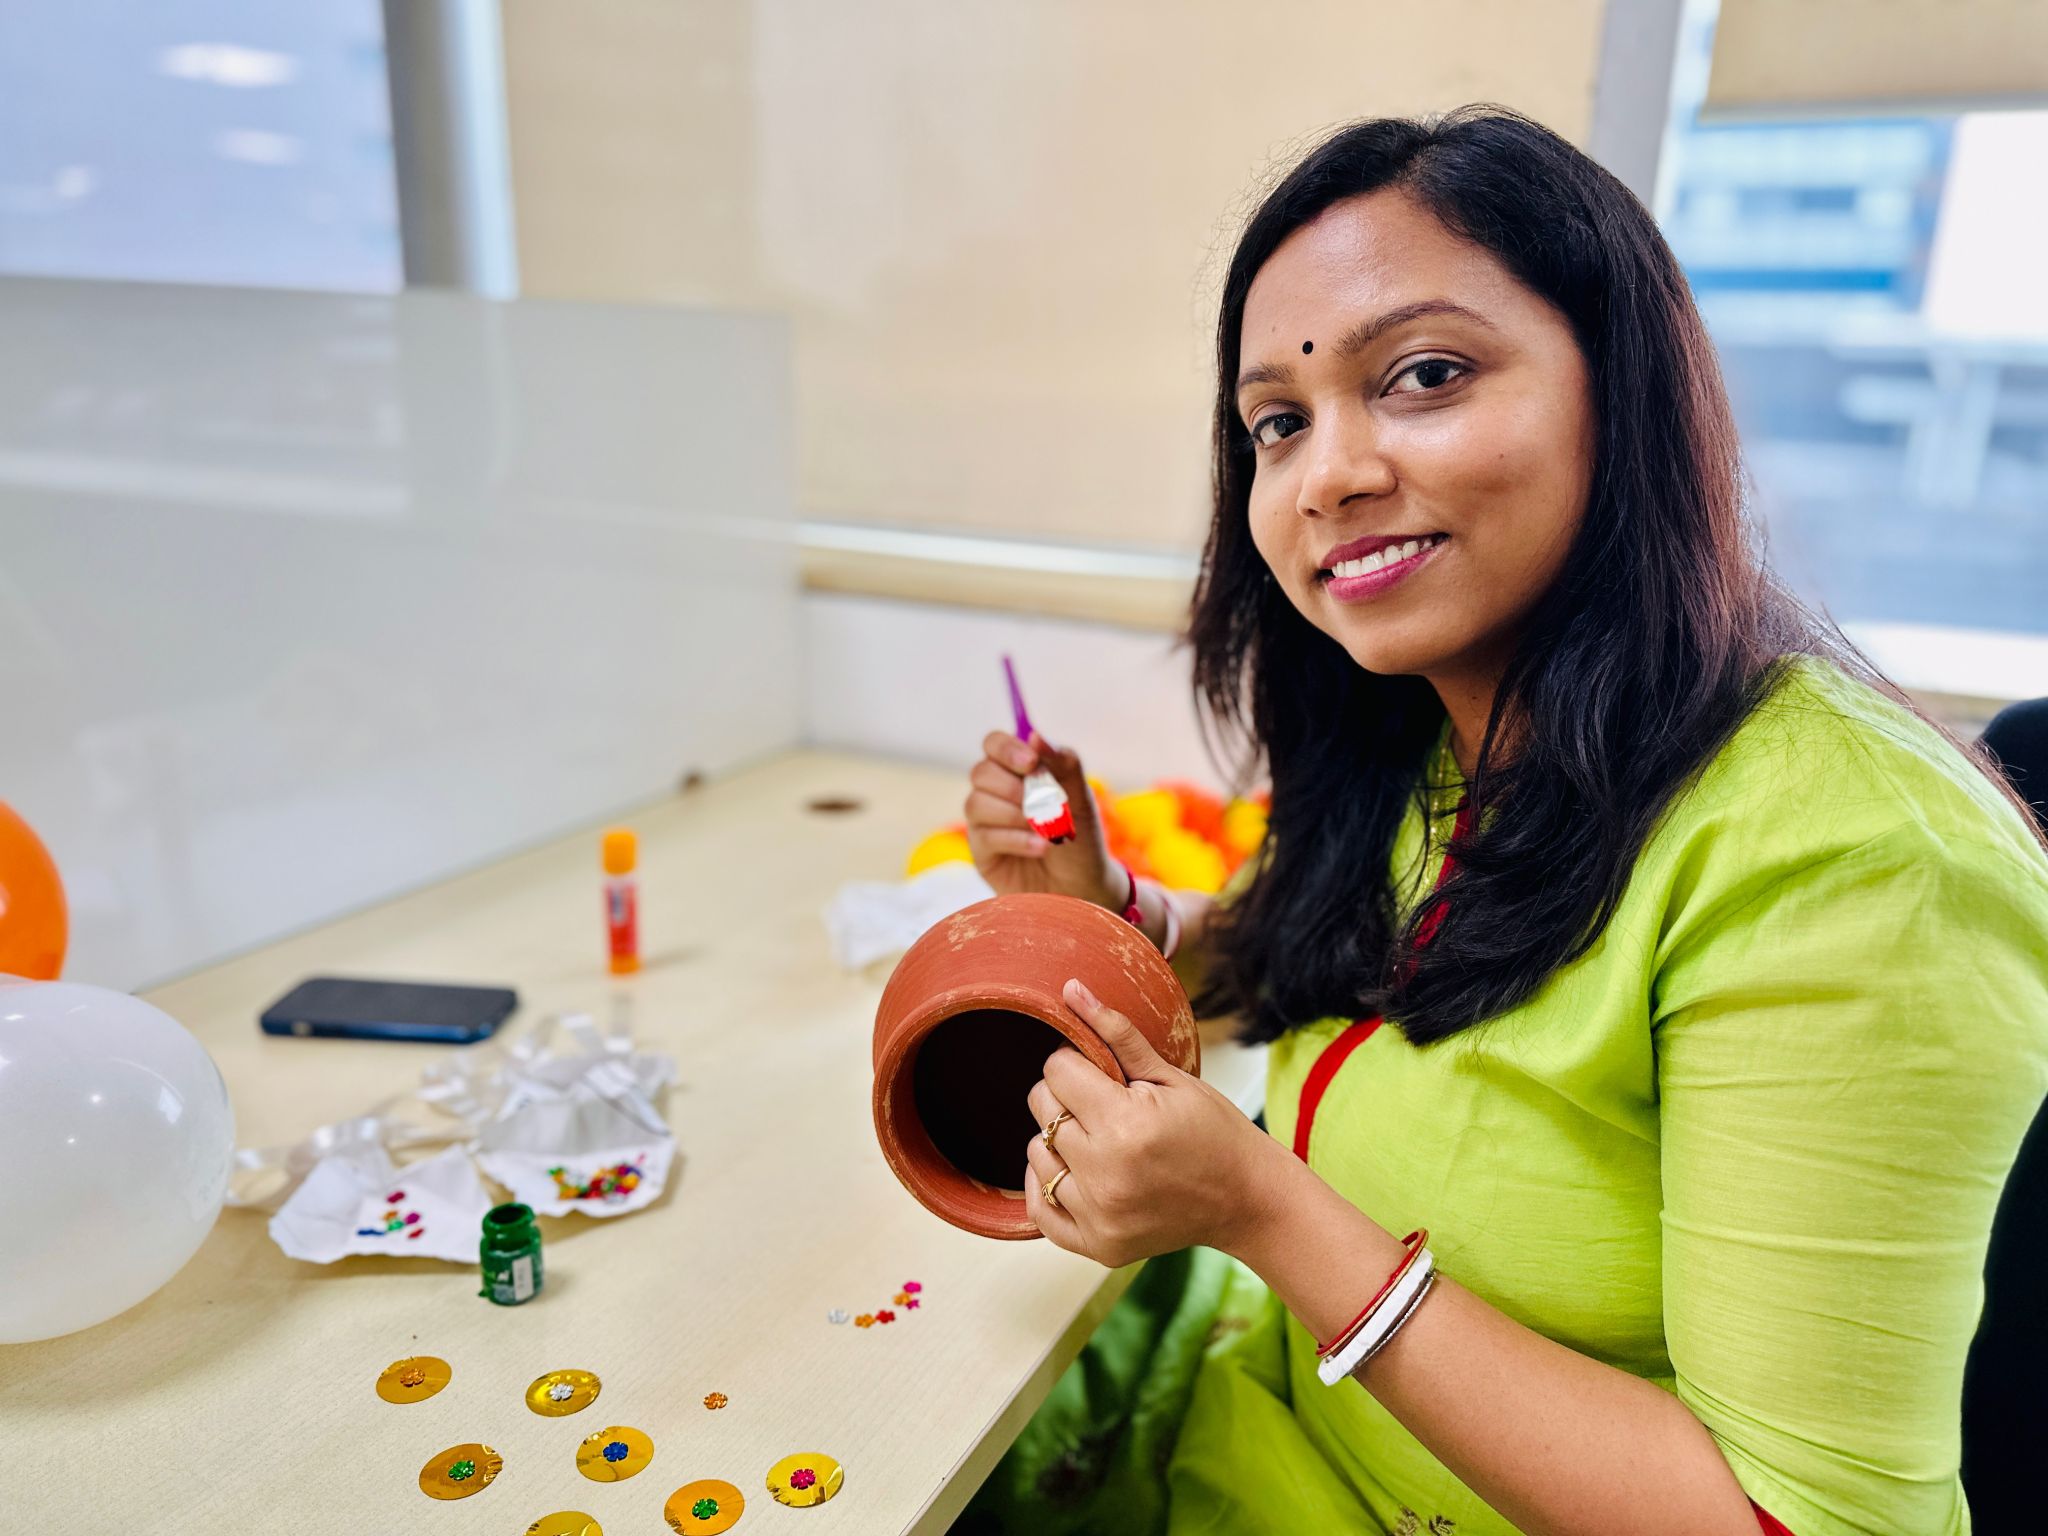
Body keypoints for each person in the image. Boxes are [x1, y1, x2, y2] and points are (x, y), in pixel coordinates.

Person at [954, 108, 2048, 1536]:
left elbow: (1803, 1521)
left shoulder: (1861, 871)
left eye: (1422, 375)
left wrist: (1265, 1211)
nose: (1327, 475)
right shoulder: (1452, 720)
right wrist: (1115, 903)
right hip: (1259, 1418)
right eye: (1279, 423)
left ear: (1621, 385)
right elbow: (1371, 984)